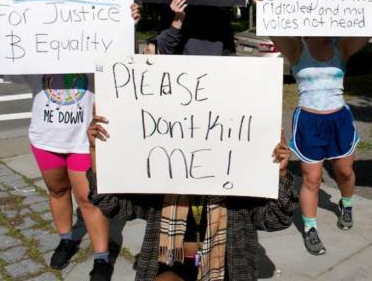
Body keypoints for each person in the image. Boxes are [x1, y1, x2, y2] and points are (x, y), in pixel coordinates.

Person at [0, 4, 141, 281]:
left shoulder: (91, 52)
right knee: (57, 191)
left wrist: (129, 27)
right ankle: (66, 239)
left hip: (81, 140)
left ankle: (101, 258)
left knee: (89, 199)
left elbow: (124, 61)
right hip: (45, 140)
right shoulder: (35, 57)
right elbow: (0, 66)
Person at [249, 0, 372, 255]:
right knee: (311, 178)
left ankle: (346, 205)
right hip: (309, 122)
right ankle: (311, 228)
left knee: (345, 171)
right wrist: (260, 2)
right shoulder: (296, 48)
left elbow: (370, 26)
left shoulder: (343, 46)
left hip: (338, 120)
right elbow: (271, 27)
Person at [86, 107, 297, 281]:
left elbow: (276, 219)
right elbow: (111, 203)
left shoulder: (239, 185)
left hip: (224, 268)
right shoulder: (162, 183)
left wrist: (281, 173)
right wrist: (97, 151)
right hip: (170, 264)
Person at [156, 0, 235, 56]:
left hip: (212, 71)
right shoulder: (171, 7)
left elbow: (229, 51)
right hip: (181, 72)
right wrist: (178, 18)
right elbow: (164, 50)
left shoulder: (219, 11)